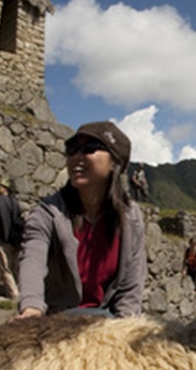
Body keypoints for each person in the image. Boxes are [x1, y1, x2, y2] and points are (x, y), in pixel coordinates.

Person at [16, 121, 146, 318]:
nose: (77, 157)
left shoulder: (131, 218)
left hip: (105, 322)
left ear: (115, 163)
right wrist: (31, 307)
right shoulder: (48, 213)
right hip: (58, 320)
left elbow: (131, 284)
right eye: (72, 149)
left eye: (89, 149)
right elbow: (33, 257)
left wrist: (124, 327)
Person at [0, 178, 23, 300]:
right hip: (17, 241)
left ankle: (14, 296)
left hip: (4, 240)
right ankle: (23, 293)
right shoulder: (15, 203)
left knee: (6, 269)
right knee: (16, 268)